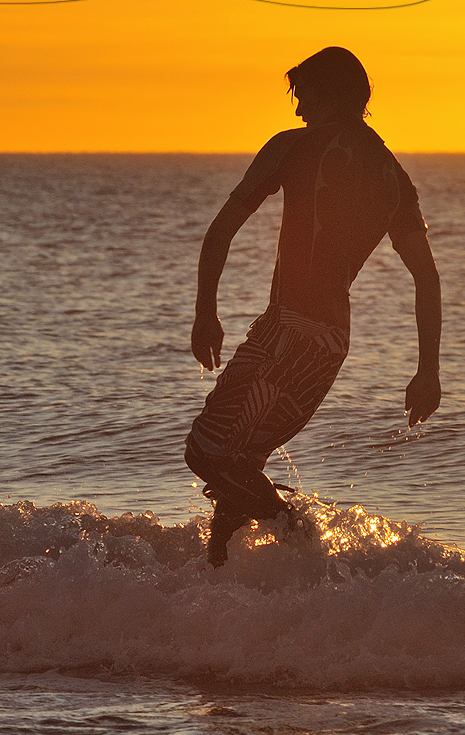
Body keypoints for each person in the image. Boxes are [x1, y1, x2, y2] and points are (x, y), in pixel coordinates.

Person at [185, 46, 441, 567]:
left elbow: (220, 231)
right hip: (325, 341)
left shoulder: (292, 149)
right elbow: (427, 279)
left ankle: (310, 549)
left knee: (207, 452)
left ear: (329, 95)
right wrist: (428, 371)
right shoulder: (392, 174)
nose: (298, 111)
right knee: (237, 470)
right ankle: (225, 595)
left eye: (303, 97)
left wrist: (206, 312)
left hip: (293, 334)